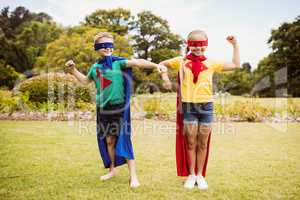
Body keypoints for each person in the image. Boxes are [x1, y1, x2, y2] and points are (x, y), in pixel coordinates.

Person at [65, 32, 165, 188]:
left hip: (119, 108)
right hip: (103, 109)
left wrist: (155, 65)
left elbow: (137, 62)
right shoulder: (95, 67)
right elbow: (85, 81)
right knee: (109, 141)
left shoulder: (118, 63)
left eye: (110, 45)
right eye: (103, 45)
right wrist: (73, 71)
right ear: (96, 48)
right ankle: (112, 170)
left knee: (124, 140)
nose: (107, 48)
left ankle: (133, 176)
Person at [159, 30, 241, 189]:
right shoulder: (180, 61)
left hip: (206, 107)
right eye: (195, 45)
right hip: (189, 107)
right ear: (189, 44)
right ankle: (191, 175)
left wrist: (235, 45)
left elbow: (236, 65)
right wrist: (165, 79)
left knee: (202, 143)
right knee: (190, 143)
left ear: (207, 45)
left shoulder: (211, 62)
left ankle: (200, 175)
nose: (199, 49)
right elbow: (161, 64)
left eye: (202, 45)